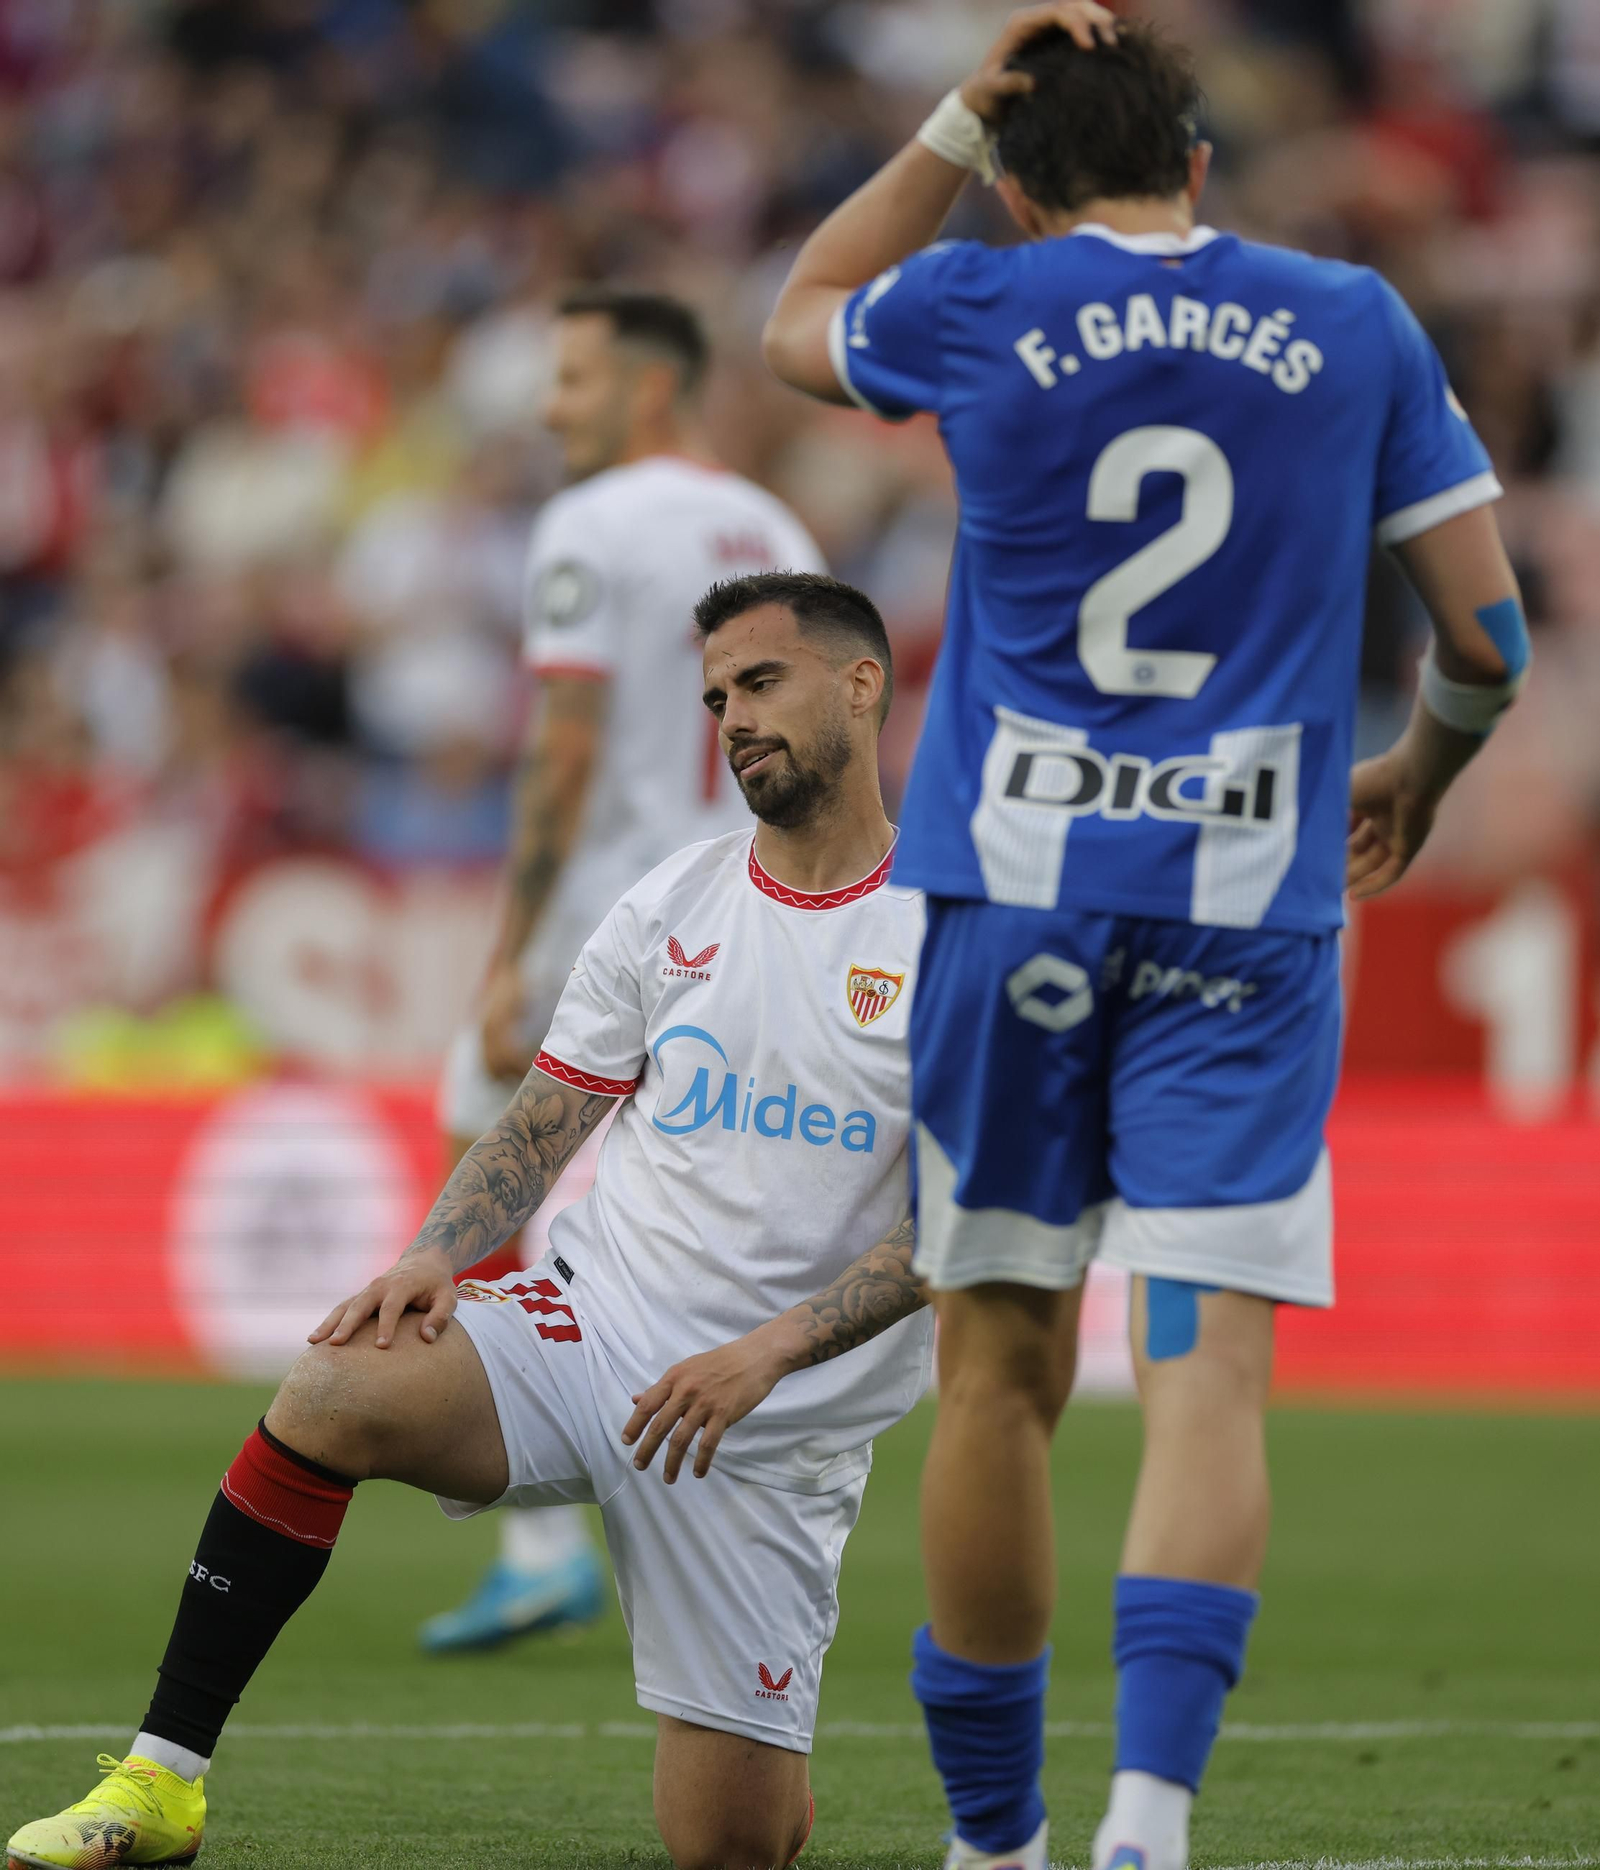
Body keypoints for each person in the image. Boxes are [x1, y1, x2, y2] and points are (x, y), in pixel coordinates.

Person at [761, 8, 1528, 1869]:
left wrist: (953, 116)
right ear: (1202, 165)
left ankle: (993, 1843)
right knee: (1206, 1366)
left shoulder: (977, 304)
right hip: (1246, 913)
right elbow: (1489, 641)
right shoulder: (1352, 321)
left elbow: (796, 312)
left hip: (1013, 897)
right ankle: (1149, 1823)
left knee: (1000, 1370)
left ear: (1020, 192)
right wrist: (1416, 771)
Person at [7, 571, 933, 1870]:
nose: (730, 718)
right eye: (715, 695)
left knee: (732, 1845)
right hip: (590, 1330)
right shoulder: (674, 905)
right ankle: (160, 1783)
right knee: (334, 1381)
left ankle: (766, 1775)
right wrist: (434, 1250)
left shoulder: (959, 935)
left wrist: (767, 1351)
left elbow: (972, 1220)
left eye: (761, 682)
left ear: (862, 683)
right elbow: (542, 1120)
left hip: (761, 1437)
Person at [427, 287, 824, 1652]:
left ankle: (543, 1518)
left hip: (612, 910)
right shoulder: (776, 528)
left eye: (576, 381)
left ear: (649, 390)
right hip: (748, 907)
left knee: (482, 1144)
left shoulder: (590, 525)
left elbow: (569, 743)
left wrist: (505, 947)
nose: (552, 409)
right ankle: (710, 1501)